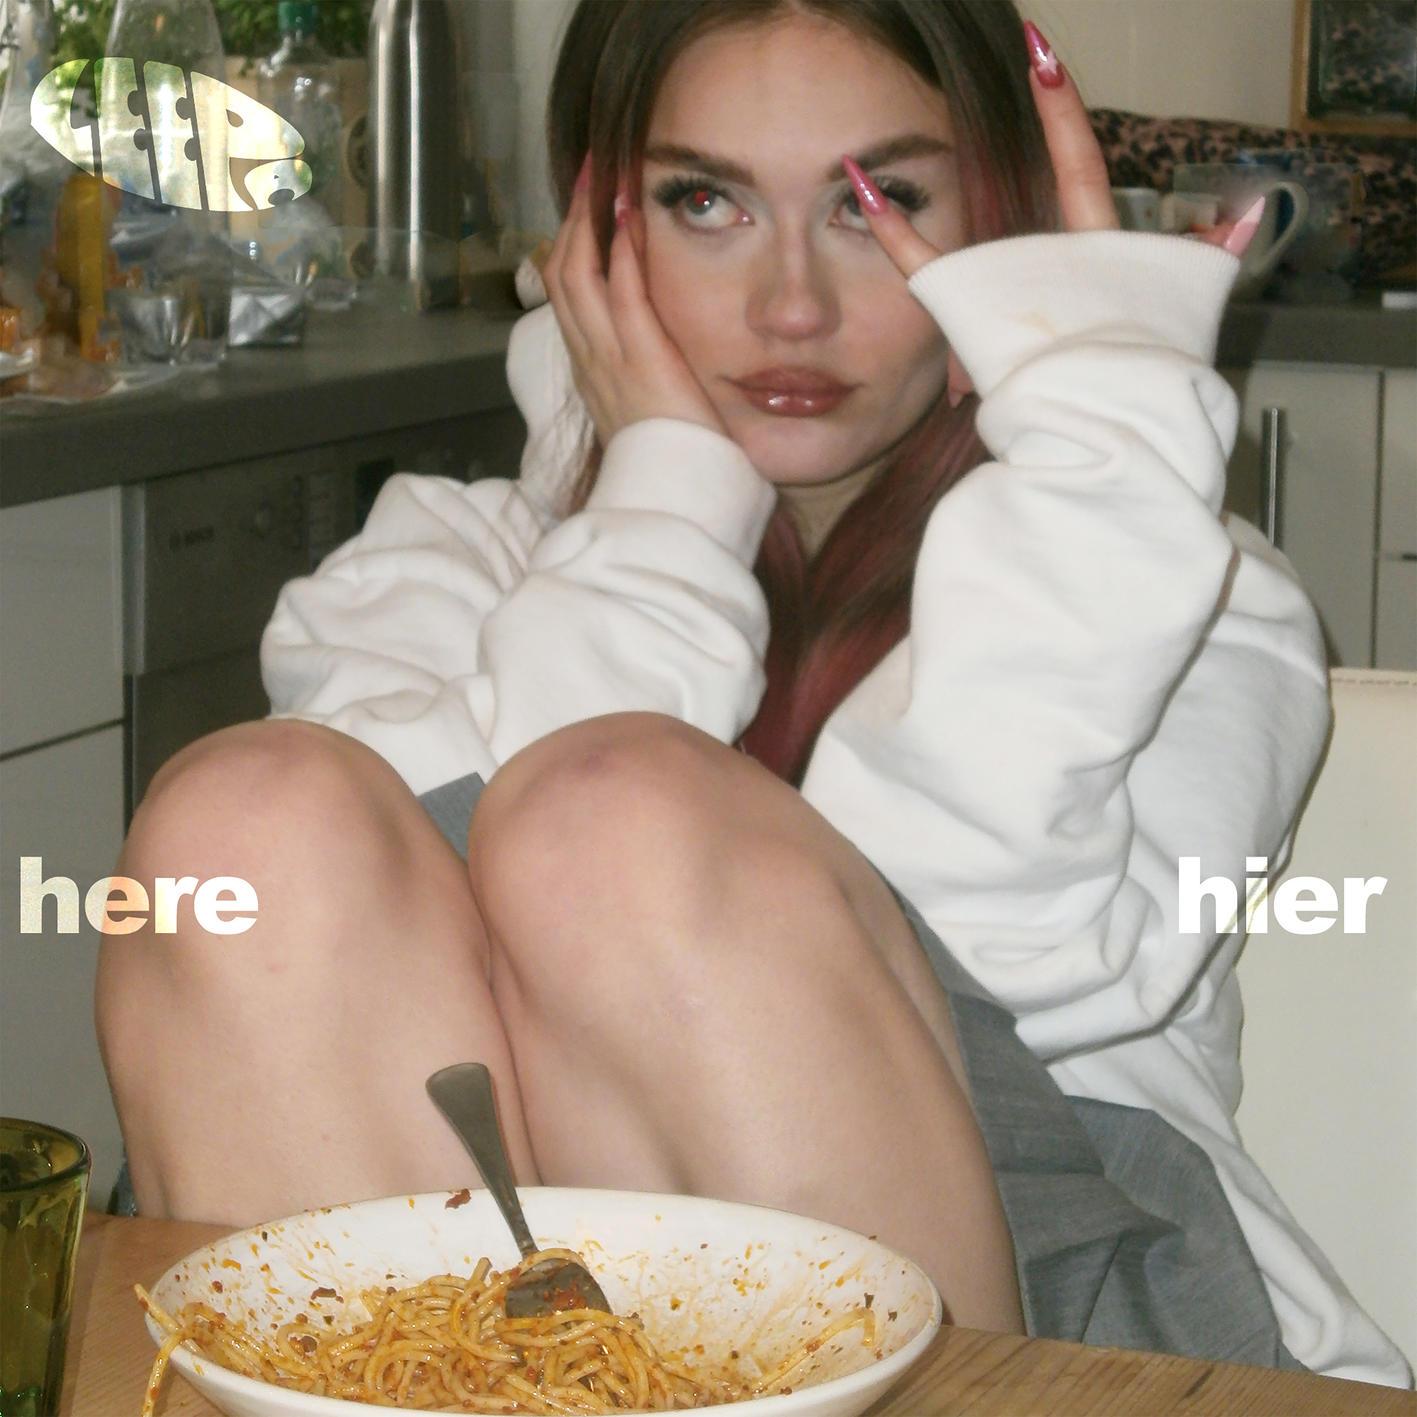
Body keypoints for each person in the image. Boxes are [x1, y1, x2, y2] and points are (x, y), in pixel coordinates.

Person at [94, 0, 1413, 1388]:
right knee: (242, 822)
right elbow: (347, 1019)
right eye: (705, 202)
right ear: (596, 232)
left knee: (616, 817)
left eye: (876, 203)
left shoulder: (1181, 594)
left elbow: (1005, 963)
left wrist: (1100, 471)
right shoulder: (436, 566)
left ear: (995, 220)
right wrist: (666, 501)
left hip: (1047, 1324)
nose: (793, 305)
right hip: (521, 1335)